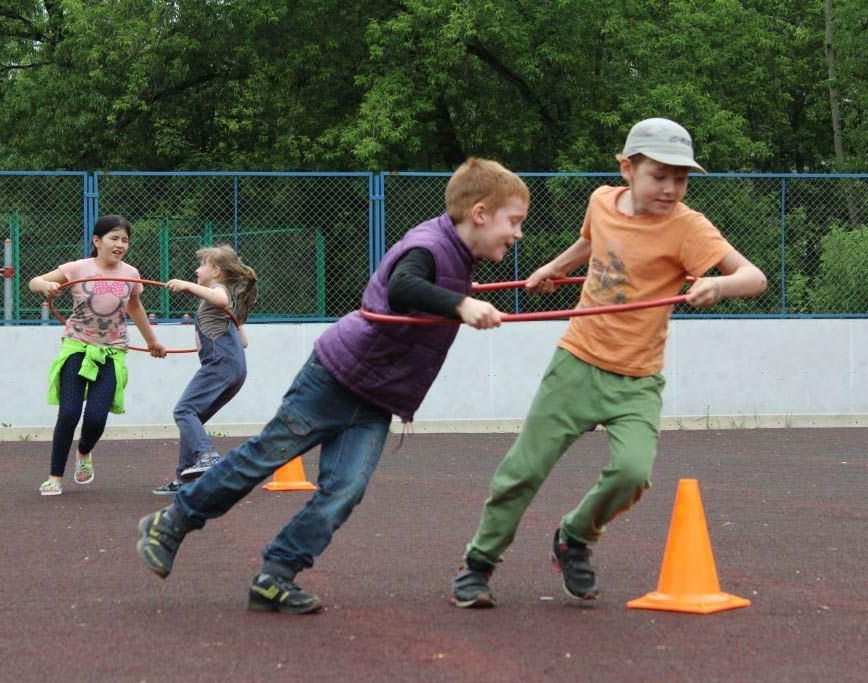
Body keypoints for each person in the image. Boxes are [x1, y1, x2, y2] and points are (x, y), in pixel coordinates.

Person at [136, 157, 528, 614]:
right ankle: (172, 522)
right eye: (514, 222)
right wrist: (461, 304)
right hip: (335, 378)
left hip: (377, 396)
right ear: (479, 213)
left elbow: (427, 288)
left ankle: (275, 576)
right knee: (263, 457)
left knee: (344, 490)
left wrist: (478, 291)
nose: (518, 233)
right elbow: (403, 287)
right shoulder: (427, 246)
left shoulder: (457, 255)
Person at [450, 118, 768, 608]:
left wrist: (717, 285)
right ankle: (478, 565)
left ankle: (574, 537)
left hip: (637, 378)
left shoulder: (689, 227)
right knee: (523, 469)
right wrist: (555, 269)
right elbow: (591, 242)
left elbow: (754, 277)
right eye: (659, 176)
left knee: (632, 473)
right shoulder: (601, 201)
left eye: (680, 179)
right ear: (628, 168)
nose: (670, 189)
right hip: (578, 361)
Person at [30, 214, 167, 497]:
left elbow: (135, 308)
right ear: (97, 240)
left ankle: (84, 451)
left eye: (125, 240)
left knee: (96, 417)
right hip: (77, 346)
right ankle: (54, 476)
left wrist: (153, 341)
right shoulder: (78, 268)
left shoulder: (130, 273)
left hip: (112, 351)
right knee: (68, 413)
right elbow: (35, 281)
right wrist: (45, 286)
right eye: (114, 238)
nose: (120, 245)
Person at [152, 244, 259, 496]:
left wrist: (187, 286)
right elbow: (243, 342)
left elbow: (219, 298)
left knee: (184, 410)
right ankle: (184, 478)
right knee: (192, 417)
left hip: (220, 364)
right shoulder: (225, 299)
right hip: (234, 368)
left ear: (216, 271)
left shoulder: (219, 291)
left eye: (202, 265)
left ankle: (208, 456)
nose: (196, 270)